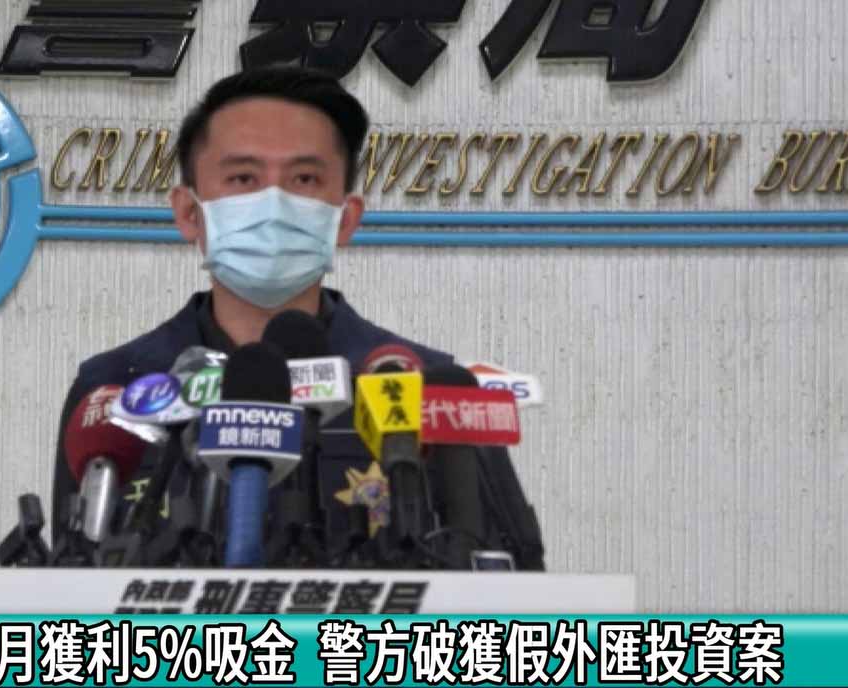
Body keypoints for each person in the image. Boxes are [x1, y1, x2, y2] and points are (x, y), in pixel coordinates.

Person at [52, 66, 544, 569]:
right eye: (243, 178)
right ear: (189, 214)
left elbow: (502, 575)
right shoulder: (116, 386)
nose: (274, 202)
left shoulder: (427, 384)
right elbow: (72, 580)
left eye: (304, 179)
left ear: (345, 219)